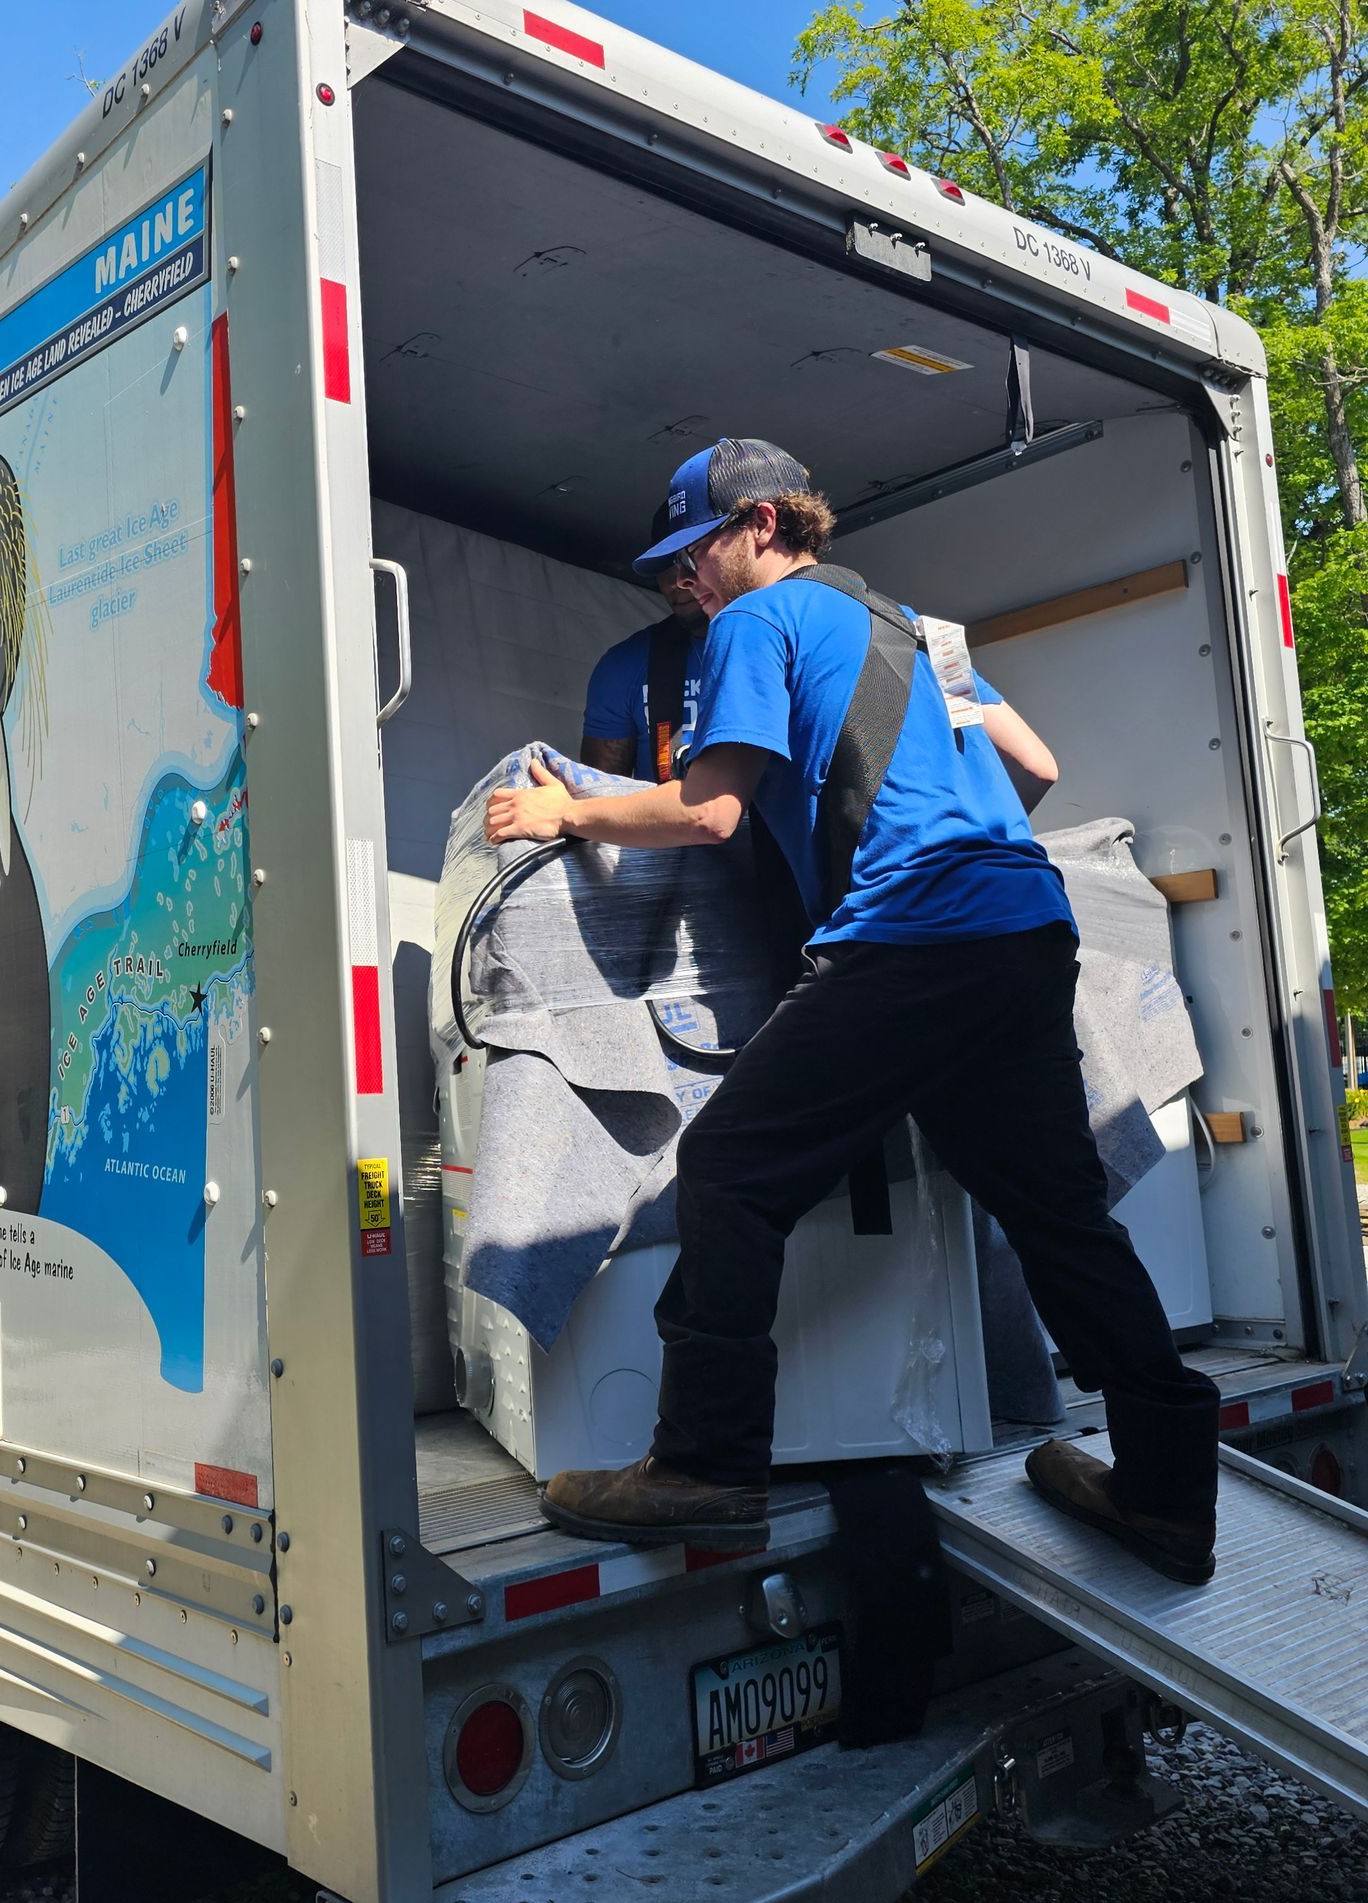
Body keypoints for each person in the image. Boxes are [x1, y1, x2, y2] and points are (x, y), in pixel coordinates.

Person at [485, 436, 1222, 1586]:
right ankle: (1171, 1493)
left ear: (766, 526)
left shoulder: (752, 626)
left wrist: (563, 814)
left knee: (728, 1166)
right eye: (671, 569)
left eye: (697, 554)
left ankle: (704, 1464)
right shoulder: (915, 626)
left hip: (914, 935)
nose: (685, 582)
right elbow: (1035, 764)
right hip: (1024, 931)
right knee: (1058, 1215)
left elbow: (711, 812)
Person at [580, 504, 711, 781]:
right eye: (664, 565)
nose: (677, 581)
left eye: (688, 560)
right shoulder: (624, 666)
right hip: (665, 821)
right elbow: (599, 800)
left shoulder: (779, 646)